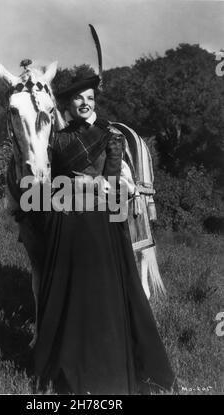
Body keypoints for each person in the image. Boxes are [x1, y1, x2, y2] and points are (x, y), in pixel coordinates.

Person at [30, 73, 176, 395]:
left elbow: (111, 188)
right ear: (69, 104)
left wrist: (84, 185)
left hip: (100, 223)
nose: (85, 104)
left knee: (102, 295)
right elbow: (50, 184)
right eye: (79, 99)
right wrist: (65, 191)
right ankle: (63, 367)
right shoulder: (58, 139)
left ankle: (104, 369)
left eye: (91, 99)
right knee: (66, 295)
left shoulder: (110, 136)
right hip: (65, 223)